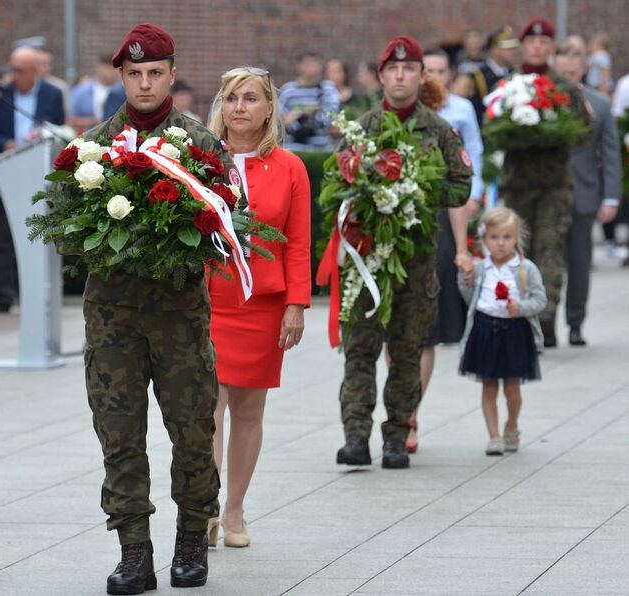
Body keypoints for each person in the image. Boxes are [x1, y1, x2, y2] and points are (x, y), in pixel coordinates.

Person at [76, 23, 238, 594]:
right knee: (119, 434)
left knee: (192, 430)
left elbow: (225, 228)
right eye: (134, 73)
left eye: (154, 73)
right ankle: (134, 552)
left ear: (171, 74)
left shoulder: (201, 146)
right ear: (121, 76)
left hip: (178, 318)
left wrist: (180, 234)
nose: (144, 83)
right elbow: (66, 234)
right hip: (113, 318)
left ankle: (192, 539)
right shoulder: (91, 149)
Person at [334, 36, 472, 470]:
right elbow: (337, 185)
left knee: (407, 353)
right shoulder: (364, 128)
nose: (400, 75)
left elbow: (461, 185)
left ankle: (396, 437)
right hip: (368, 259)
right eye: (392, 69)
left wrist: (416, 190)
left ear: (420, 76)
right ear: (381, 76)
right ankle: (355, 437)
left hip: (415, 261)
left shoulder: (440, 130)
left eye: (409, 69)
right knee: (359, 351)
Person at [206, 66, 311, 548]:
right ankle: (203, 507)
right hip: (208, 301)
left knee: (248, 409)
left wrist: (297, 304)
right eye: (231, 99)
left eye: (251, 99)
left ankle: (234, 511)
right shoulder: (199, 160)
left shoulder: (290, 167)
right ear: (220, 107)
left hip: (263, 306)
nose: (240, 107)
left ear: (270, 108)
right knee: (206, 407)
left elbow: (298, 242)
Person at [403, 48, 482, 453]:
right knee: (394, 333)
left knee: (427, 333)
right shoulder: (378, 125)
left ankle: (409, 413)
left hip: (435, 232)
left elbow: (457, 192)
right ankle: (400, 406)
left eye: (418, 71)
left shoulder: (446, 127)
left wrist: (463, 249)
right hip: (393, 232)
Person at [498, 17, 592, 348]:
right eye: (532, 42)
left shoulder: (563, 89)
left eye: (543, 43)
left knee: (548, 251)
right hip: (518, 184)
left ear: (551, 48)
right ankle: (519, 318)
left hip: (554, 185)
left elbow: (584, 131)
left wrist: (556, 133)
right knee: (517, 252)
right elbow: (494, 128)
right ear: (524, 46)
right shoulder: (511, 85)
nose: (537, 47)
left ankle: (546, 318)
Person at [458, 207, 546, 455]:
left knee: (512, 388)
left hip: (514, 332)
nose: (500, 243)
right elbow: (468, 296)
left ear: (516, 238)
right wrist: (462, 274)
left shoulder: (525, 269)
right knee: (488, 385)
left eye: (507, 237)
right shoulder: (481, 269)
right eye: (494, 237)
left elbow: (540, 300)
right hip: (485, 330)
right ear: (484, 240)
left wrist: (522, 307)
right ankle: (494, 436)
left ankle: (512, 423)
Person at [553, 46, 622, 347]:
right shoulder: (543, 101)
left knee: (579, 264)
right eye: (562, 71)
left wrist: (611, 197)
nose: (567, 76)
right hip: (548, 193)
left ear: (582, 70)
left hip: (584, 194)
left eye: (573, 71)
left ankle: (575, 323)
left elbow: (610, 153)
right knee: (546, 262)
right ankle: (544, 324)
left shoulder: (598, 104)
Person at [0, 45, 64, 313]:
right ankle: (4, 294)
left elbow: (59, 129)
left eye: (20, 71)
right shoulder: (1, 93)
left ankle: (37, 290)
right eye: (12, 69)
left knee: (38, 231)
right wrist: (4, 143)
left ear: (36, 71)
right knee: (2, 234)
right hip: (7, 167)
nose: (14, 75)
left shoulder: (52, 94)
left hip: (38, 171)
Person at [278, 52, 340, 150]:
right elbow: (281, 120)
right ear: (298, 67)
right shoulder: (288, 91)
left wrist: (302, 116)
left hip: (322, 148)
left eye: (315, 65)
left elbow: (331, 117)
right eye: (308, 65)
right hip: (294, 147)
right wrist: (303, 113)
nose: (312, 69)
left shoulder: (328, 89)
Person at [467, 26, 519, 122]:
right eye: (508, 49)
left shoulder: (515, 73)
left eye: (513, 48)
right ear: (494, 50)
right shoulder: (479, 75)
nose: (513, 52)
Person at [68, 54, 125, 130]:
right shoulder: (81, 91)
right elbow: (70, 120)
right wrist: (94, 121)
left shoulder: (123, 91)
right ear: (99, 67)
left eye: (114, 67)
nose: (111, 71)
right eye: (108, 67)